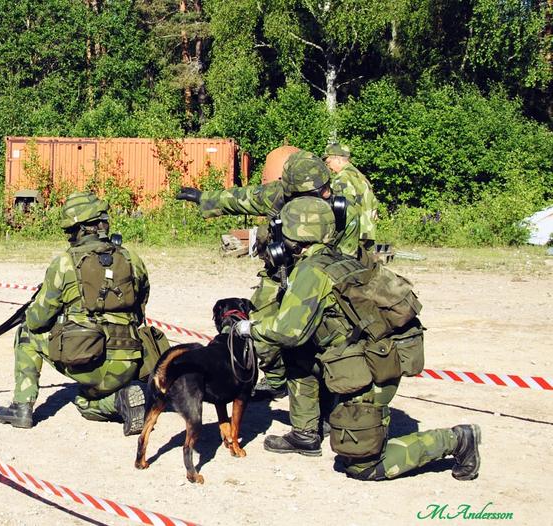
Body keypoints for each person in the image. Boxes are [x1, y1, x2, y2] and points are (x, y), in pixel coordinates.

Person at [234, 197, 481, 481]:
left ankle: (457, 440)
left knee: (362, 466)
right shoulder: (336, 257)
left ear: (294, 236)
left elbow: (288, 331)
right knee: (299, 357)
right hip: (370, 350)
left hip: (376, 365)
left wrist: (249, 329)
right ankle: (305, 434)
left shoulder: (310, 272)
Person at [177, 150, 366, 401]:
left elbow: (345, 261)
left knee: (325, 337)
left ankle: (327, 396)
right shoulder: (279, 195)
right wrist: (206, 199)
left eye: (319, 192)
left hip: (322, 281)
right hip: (281, 272)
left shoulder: (344, 212)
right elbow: (243, 197)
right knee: (260, 333)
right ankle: (277, 380)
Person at [0, 192, 151, 435]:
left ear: (80, 230)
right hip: (128, 359)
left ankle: (21, 407)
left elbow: (37, 320)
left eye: (70, 232)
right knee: (86, 401)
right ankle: (122, 398)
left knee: (26, 334)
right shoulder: (132, 259)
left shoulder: (65, 263)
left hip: (87, 357)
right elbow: (140, 311)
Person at [323, 143, 378, 254]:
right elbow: (374, 207)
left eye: (328, 162)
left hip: (352, 234)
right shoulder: (360, 176)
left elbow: (343, 209)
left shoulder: (342, 178)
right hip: (367, 233)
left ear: (338, 159)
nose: (328, 167)